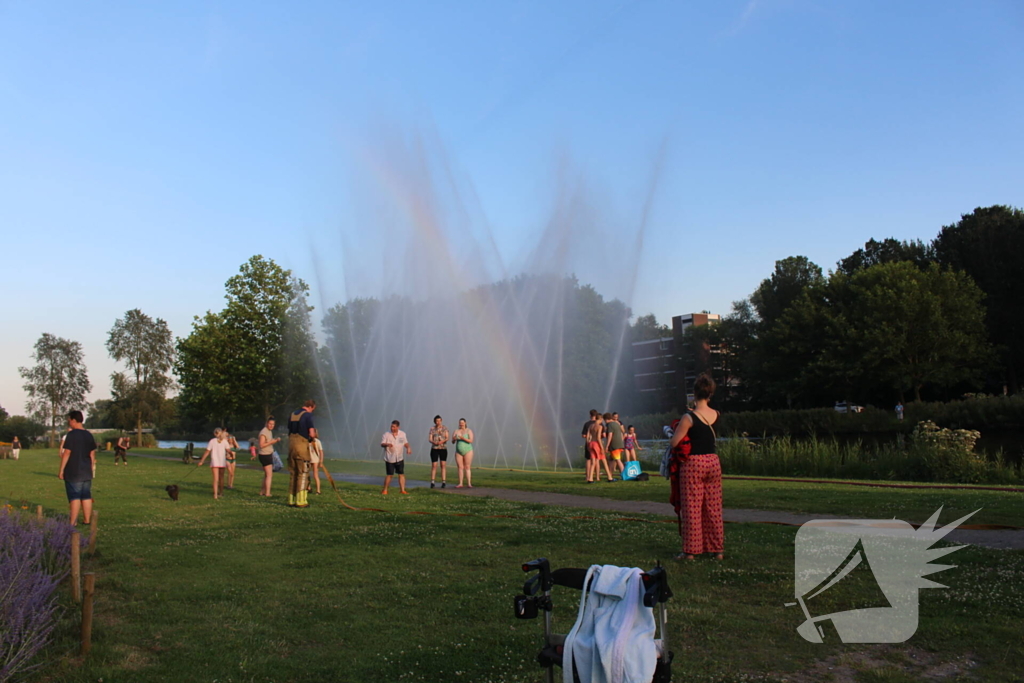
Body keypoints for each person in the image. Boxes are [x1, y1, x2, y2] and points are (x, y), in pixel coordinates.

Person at [669, 373, 724, 561]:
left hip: (694, 463)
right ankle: (717, 550)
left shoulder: (689, 417)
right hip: (713, 462)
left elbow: (675, 443)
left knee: (692, 507)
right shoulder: (716, 414)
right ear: (710, 394)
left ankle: (690, 551)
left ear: (694, 393)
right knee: (713, 507)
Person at [57, 411, 96, 525]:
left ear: (74, 420)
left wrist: (61, 470)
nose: (69, 423)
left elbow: (67, 453)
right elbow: (92, 454)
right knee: (86, 495)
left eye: (69, 420)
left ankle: (73, 522)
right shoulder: (88, 434)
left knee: (74, 496)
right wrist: (91, 468)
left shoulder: (72, 435)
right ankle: (87, 520)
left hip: (74, 470)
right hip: (86, 471)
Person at [287, 400, 317, 508]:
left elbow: (289, 430)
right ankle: (301, 501)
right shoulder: (308, 415)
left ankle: (291, 500)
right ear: (311, 407)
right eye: (313, 409)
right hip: (301, 446)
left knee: (293, 473)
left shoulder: (292, 414)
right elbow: (311, 433)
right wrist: (314, 437)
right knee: (303, 473)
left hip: (291, 446)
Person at [197, 428, 229, 499]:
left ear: (215, 434)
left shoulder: (212, 441)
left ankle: (215, 495)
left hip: (215, 461)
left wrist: (201, 461)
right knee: (221, 478)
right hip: (222, 461)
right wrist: (230, 454)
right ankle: (221, 492)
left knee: (215, 479)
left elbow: (207, 451)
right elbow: (228, 450)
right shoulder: (225, 441)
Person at [381, 420, 411, 495]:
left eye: (394, 427)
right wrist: (387, 444)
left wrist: (408, 448)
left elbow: (405, 442)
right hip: (390, 458)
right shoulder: (386, 434)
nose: (392, 428)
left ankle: (402, 490)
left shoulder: (402, 434)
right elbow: (382, 444)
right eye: (391, 426)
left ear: (398, 427)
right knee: (389, 475)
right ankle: (385, 490)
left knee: (401, 474)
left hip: (399, 457)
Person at [255, 417, 281, 497]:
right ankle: (267, 493)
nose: (271, 426)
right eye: (270, 424)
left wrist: (275, 440)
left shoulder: (269, 431)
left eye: (273, 424)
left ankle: (262, 491)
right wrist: (273, 442)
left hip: (268, 454)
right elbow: (261, 445)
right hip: (265, 455)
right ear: (267, 423)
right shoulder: (264, 432)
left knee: (266, 474)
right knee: (269, 475)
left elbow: (268, 441)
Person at [587, 415, 613, 483]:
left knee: (593, 463)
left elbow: (588, 436)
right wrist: (602, 447)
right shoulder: (599, 426)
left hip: (591, 443)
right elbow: (598, 438)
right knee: (604, 460)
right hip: (596, 444)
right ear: (601, 419)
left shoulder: (591, 426)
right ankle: (609, 478)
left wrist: (588, 445)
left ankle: (590, 478)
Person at [452, 418, 475, 488]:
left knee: (467, 466)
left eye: (462, 422)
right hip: (458, 451)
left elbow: (471, 440)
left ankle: (469, 483)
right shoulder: (456, 431)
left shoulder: (469, 431)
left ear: (465, 423)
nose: (461, 424)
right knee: (460, 467)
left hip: (468, 450)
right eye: (460, 422)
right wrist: (454, 439)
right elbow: (452, 442)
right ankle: (460, 483)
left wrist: (462, 438)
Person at [428, 415, 449, 489]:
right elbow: (430, 439)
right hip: (435, 448)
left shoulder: (445, 428)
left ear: (441, 421)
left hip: (443, 448)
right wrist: (434, 442)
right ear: (435, 421)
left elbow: (447, 437)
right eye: (437, 421)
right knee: (434, 465)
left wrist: (442, 441)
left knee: (443, 465)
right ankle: (432, 481)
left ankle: (443, 481)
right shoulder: (432, 429)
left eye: (439, 421)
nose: (438, 422)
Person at [604, 412, 626, 476]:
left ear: (606, 419)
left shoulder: (610, 425)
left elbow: (610, 435)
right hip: (619, 444)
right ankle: (610, 474)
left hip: (614, 445)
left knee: (618, 460)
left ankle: (624, 474)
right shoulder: (617, 424)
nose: (605, 422)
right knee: (611, 459)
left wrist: (607, 446)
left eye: (604, 420)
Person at [581, 409, 599, 482]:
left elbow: (583, 435)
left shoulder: (587, 424)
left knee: (588, 460)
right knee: (597, 460)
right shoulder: (599, 424)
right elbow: (603, 435)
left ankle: (587, 477)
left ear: (590, 415)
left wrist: (589, 437)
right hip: (597, 443)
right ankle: (597, 477)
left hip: (589, 444)